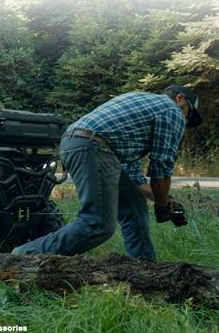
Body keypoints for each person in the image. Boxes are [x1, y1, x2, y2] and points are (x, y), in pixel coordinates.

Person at [12, 85, 203, 260]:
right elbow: (161, 167)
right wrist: (162, 207)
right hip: (93, 146)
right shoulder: (171, 111)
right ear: (180, 98)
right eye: (188, 116)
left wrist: (166, 201)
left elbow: (135, 178)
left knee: (134, 204)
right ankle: (23, 256)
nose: (185, 123)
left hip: (81, 142)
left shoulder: (142, 107)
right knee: (97, 224)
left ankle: (144, 267)